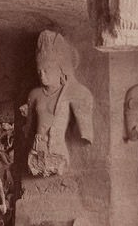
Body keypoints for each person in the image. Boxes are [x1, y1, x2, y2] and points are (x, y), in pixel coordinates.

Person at [21, 31, 94, 177]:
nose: (42, 75)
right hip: (37, 149)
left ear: (60, 69)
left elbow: (85, 128)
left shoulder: (72, 92)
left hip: (57, 150)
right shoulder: (35, 94)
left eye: (47, 70)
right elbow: (28, 128)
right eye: (39, 71)